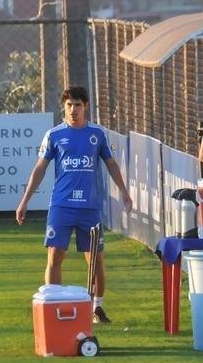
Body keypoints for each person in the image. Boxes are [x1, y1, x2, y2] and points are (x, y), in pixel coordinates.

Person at [16, 85, 133, 323]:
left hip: (89, 208)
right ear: (64, 107)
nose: (73, 110)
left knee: (96, 259)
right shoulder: (54, 135)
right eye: (69, 105)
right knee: (55, 255)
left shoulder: (97, 134)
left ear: (85, 106)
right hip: (61, 206)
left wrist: (124, 192)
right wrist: (24, 200)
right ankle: (53, 308)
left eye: (77, 105)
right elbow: (40, 168)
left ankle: (97, 308)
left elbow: (110, 164)